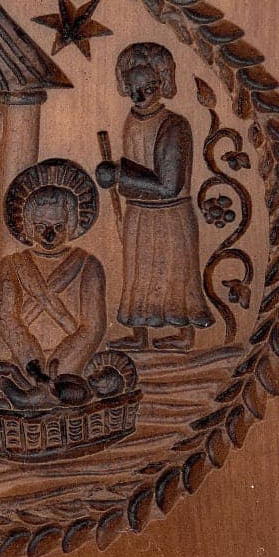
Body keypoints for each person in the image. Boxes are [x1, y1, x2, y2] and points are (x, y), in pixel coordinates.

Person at [95, 42, 213, 350]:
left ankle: (185, 335)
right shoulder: (132, 120)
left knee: (175, 274)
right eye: (133, 90)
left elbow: (169, 185)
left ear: (162, 83)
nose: (139, 97)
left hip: (169, 215)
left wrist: (119, 173)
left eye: (147, 88)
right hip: (139, 212)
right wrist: (115, 176)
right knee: (139, 274)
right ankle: (140, 335)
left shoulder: (174, 125)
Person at [0, 159, 107, 377]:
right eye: (41, 227)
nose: (49, 235)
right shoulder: (13, 265)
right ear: (29, 225)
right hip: (27, 367)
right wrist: (33, 365)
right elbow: (7, 319)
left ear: (71, 223)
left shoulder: (88, 265)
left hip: (71, 367)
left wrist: (61, 367)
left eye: (58, 227)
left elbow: (93, 327)